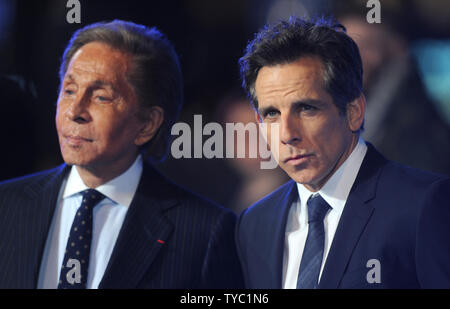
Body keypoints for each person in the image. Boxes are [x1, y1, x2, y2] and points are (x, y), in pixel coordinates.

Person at [0, 20, 243, 289]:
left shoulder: (204, 233)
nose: (75, 111)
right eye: (69, 90)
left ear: (147, 124)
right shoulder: (6, 206)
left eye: (101, 97)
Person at [236, 16, 450, 289]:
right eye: (272, 114)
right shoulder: (254, 224)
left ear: (353, 112)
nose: (288, 133)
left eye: (306, 108)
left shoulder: (423, 205)